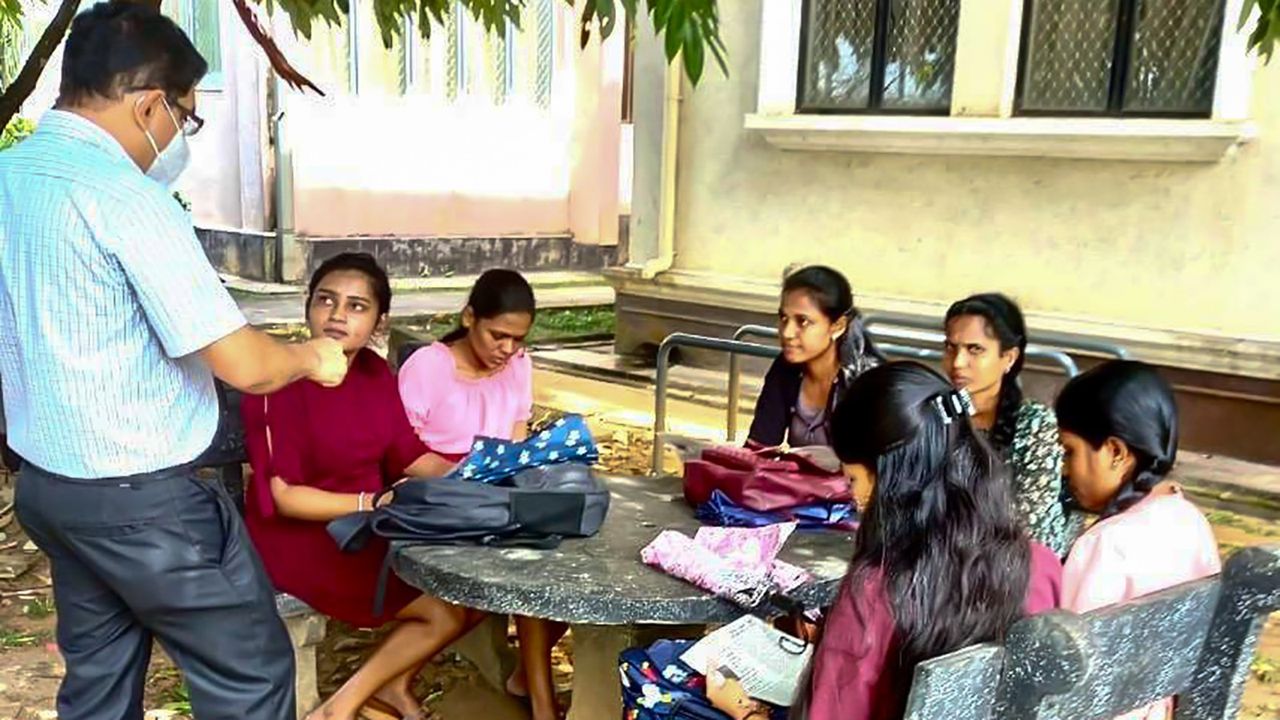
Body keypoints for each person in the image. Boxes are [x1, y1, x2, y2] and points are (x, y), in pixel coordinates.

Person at [0, 4, 348, 719]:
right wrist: (313, 356)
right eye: (184, 118)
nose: (178, 137)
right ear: (149, 105)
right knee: (249, 676)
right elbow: (245, 364)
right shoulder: (128, 198)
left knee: (98, 689)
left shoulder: (9, 178)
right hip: (146, 507)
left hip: (51, 491)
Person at [710, 363, 1062, 720]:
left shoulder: (875, 593)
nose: (853, 499)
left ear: (890, 479)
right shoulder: (1040, 565)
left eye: (852, 480)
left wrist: (746, 712)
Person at [243, 253, 483, 720]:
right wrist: (372, 502)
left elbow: (409, 455)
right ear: (308, 306)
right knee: (445, 610)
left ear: (379, 321)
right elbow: (285, 497)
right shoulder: (281, 378)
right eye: (326, 300)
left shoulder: (373, 373)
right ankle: (340, 708)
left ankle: (390, 688)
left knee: (476, 590)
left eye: (356, 306)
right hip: (303, 539)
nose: (337, 315)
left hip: (368, 525)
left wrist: (478, 474)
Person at [397, 268, 564, 720]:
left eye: (517, 339)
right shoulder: (429, 366)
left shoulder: (518, 364)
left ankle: (530, 681)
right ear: (470, 317)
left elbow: (516, 438)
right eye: (498, 336)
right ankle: (541, 700)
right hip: (434, 495)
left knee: (565, 541)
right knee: (530, 554)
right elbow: (398, 454)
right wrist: (463, 476)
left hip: (494, 494)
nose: (507, 349)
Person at [1055, 361, 1220, 720]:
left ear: (1116, 452)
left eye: (1070, 451)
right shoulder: (1190, 521)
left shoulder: (1103, 545)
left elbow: (1069, 679)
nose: (1065, 470)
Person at [943, 293, 1075, 557]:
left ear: (1009, 357)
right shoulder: (939, 413)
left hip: (1020, 563)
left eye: (975, 349)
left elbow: (1028, 524)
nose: (957, 362)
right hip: (946, 555)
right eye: (951, 347)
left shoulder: (1035, 424)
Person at [748, 266, 883, 448]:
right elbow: (759, 445)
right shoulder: (785, 367)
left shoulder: (868, 383)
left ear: (838, 326)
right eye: (784, 318)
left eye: (803, 321)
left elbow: (876, 463)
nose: (787, 333)